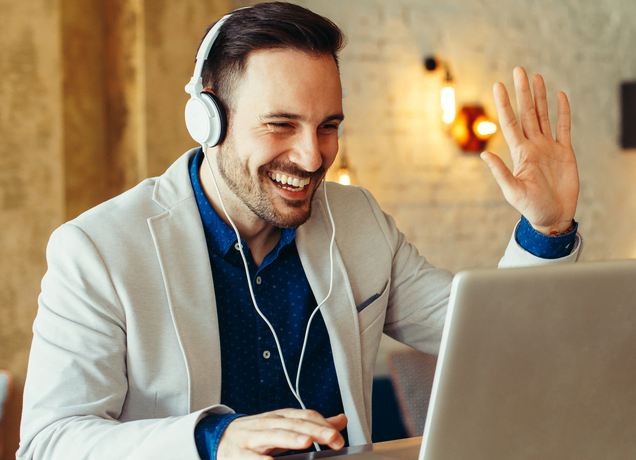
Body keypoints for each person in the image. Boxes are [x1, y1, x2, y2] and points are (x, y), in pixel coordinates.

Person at [18, 3, 580, 460]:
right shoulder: (97, 250)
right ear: (208, 120)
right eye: (281, 124)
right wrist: (211, 440)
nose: (312, 156)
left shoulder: (359, 221)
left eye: (328, 126)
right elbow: (50, 442)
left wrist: (547, 225)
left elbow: (493, 340)